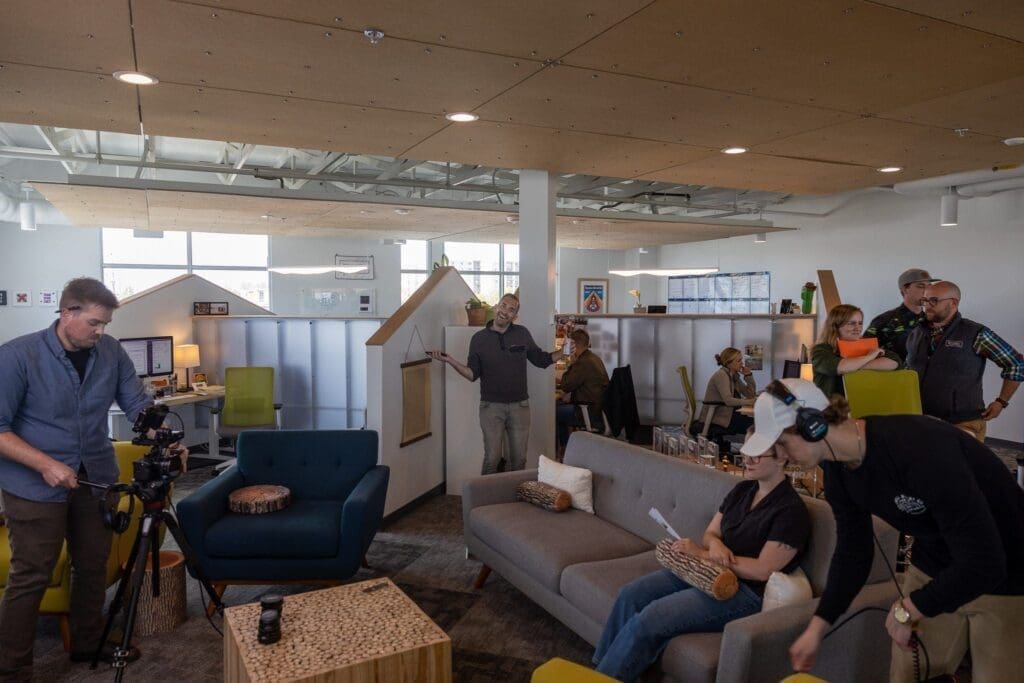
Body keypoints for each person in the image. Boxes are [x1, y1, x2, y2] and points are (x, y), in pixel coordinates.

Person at [739, 379, 1024, 683]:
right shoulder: (836, 470)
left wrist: (911, 608)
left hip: (1006, 574)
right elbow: (853, 553)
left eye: (781, 444)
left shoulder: (919, 448)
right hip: (934, 566)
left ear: (812, 426)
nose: (781, 457)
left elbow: (986, 562)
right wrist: (818, 626)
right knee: (907, 673)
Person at [0, 278, 155, 676]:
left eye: (105, 324)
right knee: (31, 575)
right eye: (94, 323)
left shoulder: (110, 351)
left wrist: (164, 435)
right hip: (33, 488)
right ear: (67, 313)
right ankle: (13, 669)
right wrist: (45, 464)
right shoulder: (17, 356)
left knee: (91, 565)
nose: (100, 331)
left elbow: (137, 405)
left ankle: (88, 643)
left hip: (95, 478)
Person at [593, 432, 810, 682]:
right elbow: (710, 533)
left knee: (651, 618)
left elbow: (763, 570)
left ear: (782, 457)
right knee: (630, 595)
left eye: (757, 454)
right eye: (746, 451)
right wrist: (715, 545)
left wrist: (702, 554)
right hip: (704, 571)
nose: (747, 459)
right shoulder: (742, 490)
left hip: (741, 592)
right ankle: (597, 672)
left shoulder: (791, 512)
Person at [428, 293, 561, 474]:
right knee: (492, 458)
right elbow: (472, 374)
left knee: (519, 458)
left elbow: (541, 360)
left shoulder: (522, 333)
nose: (505, 311)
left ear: (515, 316)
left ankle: (513, 493)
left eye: (511, 309)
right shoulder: (479, 339)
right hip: (491, 407)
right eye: (503, 305)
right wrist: (450, 361)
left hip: (520, 406)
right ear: (496, 306)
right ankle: (485, 493)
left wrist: (562, 353)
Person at [905, 280, 1022, 442]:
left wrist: (1001, 402)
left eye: (934, 300)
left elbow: (1016, 363)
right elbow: (908, 369)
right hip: (920, 419)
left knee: (957, 459)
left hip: (963, 422)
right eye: (925, 300)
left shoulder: (976, 333)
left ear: (953, 303)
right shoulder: (916, 332)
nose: (927, 306)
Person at [811, 304, 899, 397]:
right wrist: (869, 357)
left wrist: (856, 365)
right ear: (836, 326)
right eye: (851, 323)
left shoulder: (868, 346)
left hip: (862, 402)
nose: (858, 328)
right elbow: (840, 367)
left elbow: (894, 362)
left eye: (860, 323)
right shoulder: (821, 350)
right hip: (832, 405)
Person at [863, 268, 937, 360]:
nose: (926, 290)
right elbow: (864, 354)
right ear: (904, 290)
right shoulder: (884, 320)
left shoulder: (934, 319)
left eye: (929, 286)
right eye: (920, 286)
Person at [555, 328, 609, 449]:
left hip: (587, 411)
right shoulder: (594, 358)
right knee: (559, 405)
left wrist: (571, 363)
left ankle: (565, 448)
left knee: (554, 412)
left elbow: (566, 385)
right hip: (597, 409)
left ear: (573, 345)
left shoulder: (583, 362)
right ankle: (566, 447)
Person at [692, 347, 756, 445]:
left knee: (760, 423)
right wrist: (750, 402)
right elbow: (728, 401)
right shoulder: (721, 375)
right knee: (759, 425)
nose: (742, 363)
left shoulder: (733, 375)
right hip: (721, 419)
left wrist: (748, 375)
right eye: (739, 361)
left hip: (731, 416)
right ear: (729, 363)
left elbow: (750, 394)